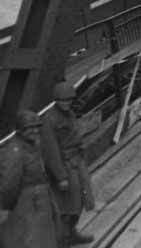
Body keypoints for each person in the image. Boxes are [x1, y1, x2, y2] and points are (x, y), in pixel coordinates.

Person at [42, 82, 95, 246]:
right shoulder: (49, 120)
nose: (66, 103)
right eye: (62, 100)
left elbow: (76, 136)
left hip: (77, 161)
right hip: (65, 166)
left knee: (82, 199)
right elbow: (51, 151)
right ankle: (63, 239)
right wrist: (60, 176)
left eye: (69, 100)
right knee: (67, 205)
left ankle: (71, 233)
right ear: (56, 100)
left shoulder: (70, 114)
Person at [0, 110, 60, 248]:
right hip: (28, 201)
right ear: (20, 130)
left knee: (44, 234)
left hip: (40, 198)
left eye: (37, 127)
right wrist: (11, 204)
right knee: (31, 238)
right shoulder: (16, 152)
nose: (35, 130)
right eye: (30, 128)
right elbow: (8, 184)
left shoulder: (33, 145)